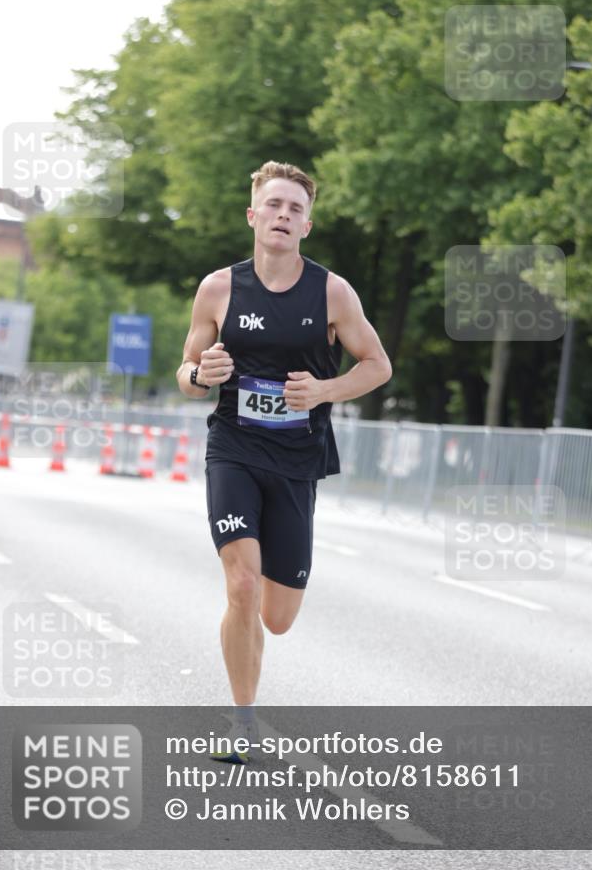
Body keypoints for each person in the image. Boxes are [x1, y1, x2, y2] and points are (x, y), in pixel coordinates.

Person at [176, 160, 392, 761]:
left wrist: (323, 391)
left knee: (278, 617)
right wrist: (201, 373)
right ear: (253, 215)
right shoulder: (219, 288)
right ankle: (242, 722)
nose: (283, 216)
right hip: (235, 450)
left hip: (298, 459)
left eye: (295, 209)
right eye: (274, 205)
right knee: (241, 584)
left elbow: (378, 366)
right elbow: (188, 370)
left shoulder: (331, 292)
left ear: (307, 226)